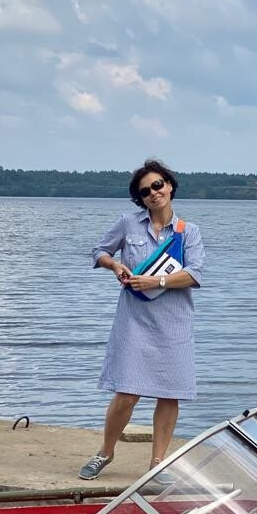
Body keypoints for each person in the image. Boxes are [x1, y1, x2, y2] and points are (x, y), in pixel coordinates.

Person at [79, 160, 205, 480]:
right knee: (127, 392)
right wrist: (114, 266)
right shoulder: (127, 224)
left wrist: (157, 282)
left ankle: (158, 463)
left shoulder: (188, 232)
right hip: (134, 319)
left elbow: (194, 274)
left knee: (169, 392)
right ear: (140, 198)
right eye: (145, 191)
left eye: (158, 185)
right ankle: (105, 453)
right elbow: (99, 251)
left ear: (170, 186)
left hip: (174, 323)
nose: (153, 193)